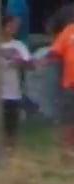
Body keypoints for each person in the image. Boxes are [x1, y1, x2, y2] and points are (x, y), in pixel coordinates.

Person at [0, 16, 36, 151]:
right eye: (11, 26)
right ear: (2, 27)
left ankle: (11, 150)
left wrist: (21, 62)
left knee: (11, 125)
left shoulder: (18, 45)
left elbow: (31, 65)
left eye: (15, 26)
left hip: (13, 92)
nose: (14, 29)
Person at [48, 18, 74, 155]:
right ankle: (68, 150)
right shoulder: (69, 30)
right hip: (71, 84)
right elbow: (56, 51)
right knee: (69, 118)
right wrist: (47, 59)